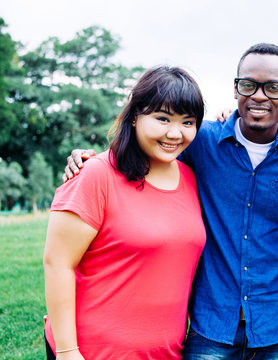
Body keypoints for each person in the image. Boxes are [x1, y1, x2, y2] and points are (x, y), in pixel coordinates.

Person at [63, 43, 278, 359]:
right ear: (236, 88)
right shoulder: (200, 140)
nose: (259, 96)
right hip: (211, 324)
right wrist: (89, 160)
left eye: (273, 87)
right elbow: (147, 148)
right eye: (248, 85)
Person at [43, 66, 206, 360]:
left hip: (167, 353)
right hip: (93, 351)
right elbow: (57, 264)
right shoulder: (96, 174)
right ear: (134, 116)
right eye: (162, 119)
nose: (174, 133)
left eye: (188, 122)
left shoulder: (192, 178)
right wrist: (68, 352)